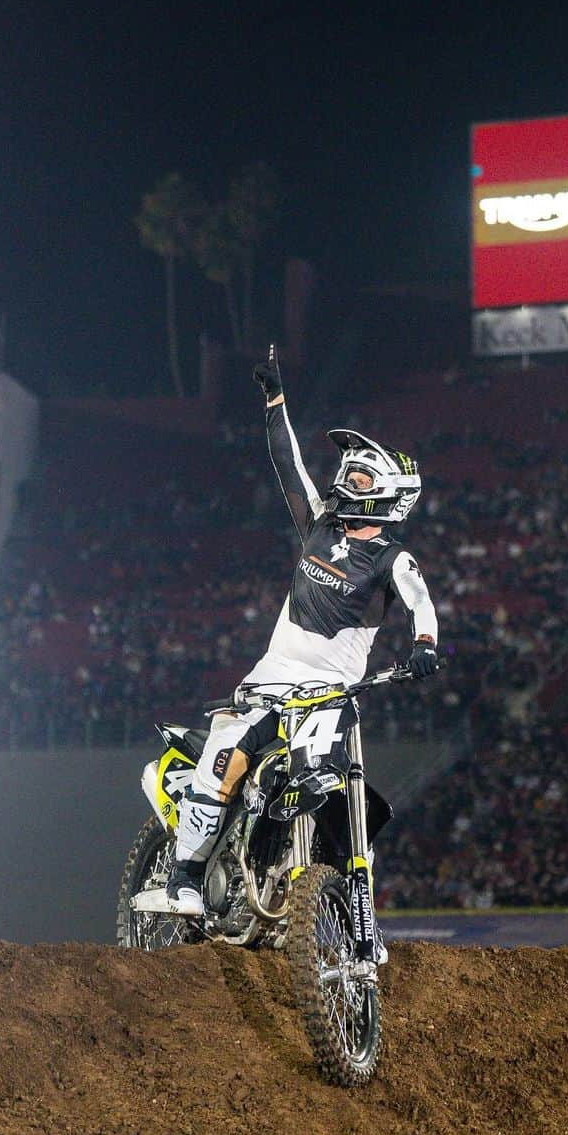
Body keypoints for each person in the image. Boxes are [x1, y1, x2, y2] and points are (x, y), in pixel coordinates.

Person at [164, 347, 439, 961]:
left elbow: (422, 605)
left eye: (362, 477)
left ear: (391, 494)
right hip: (272, 676)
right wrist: (275, 402)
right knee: (224, 757)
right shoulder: (319, 524)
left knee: (327, 783)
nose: (347, 481)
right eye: (349, 472)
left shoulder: (394, 558)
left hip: (332, 689)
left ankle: (335, 906)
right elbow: (288, 464)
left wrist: (424, 646)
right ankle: (185, 875)